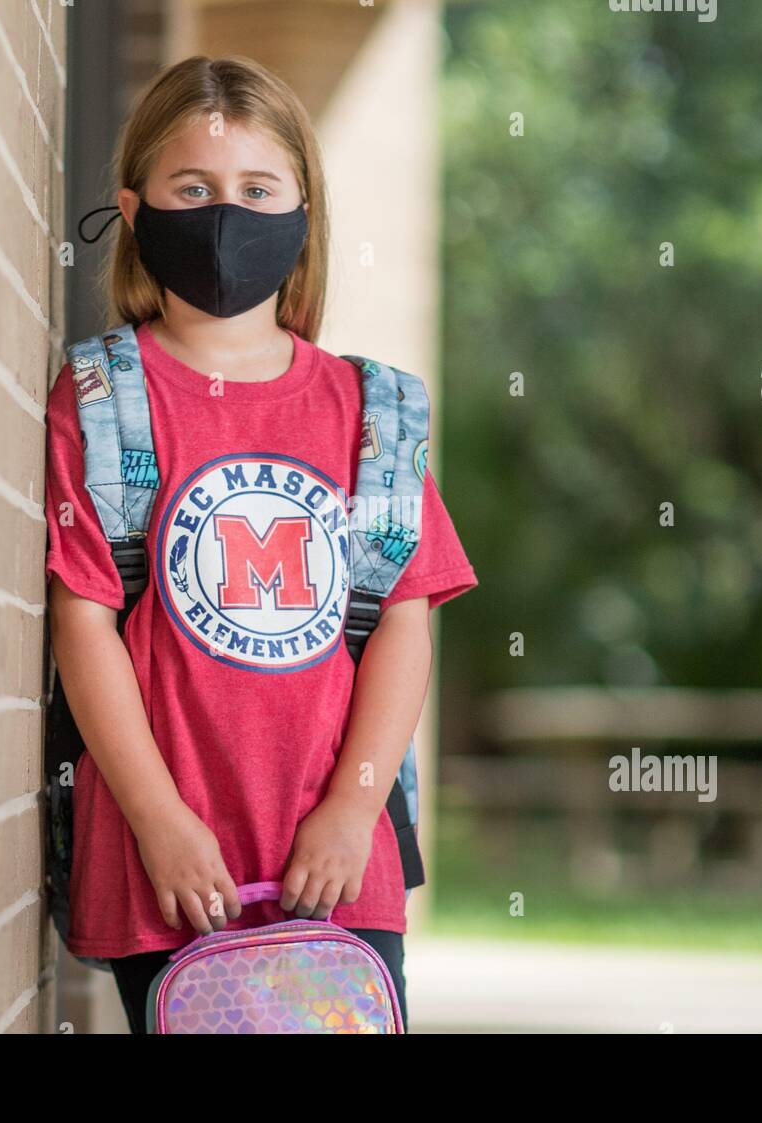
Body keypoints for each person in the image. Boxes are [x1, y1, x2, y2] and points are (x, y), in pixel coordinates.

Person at [44, 54, 477, 1034]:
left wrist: (352, 810)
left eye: (256, 190)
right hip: (170, 868)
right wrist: (158, 821)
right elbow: (84, 622)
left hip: (337, 866)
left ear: (302, 212)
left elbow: (402, 622)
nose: (225, 214)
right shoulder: (105, 402)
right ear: (135, 208)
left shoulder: (371, 415)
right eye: (192, 189)